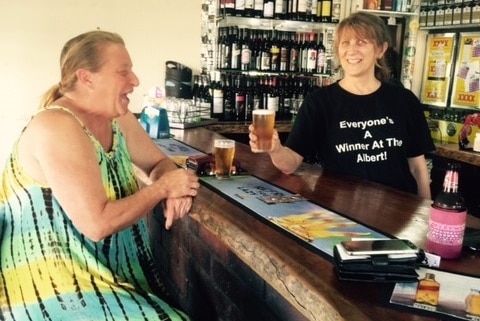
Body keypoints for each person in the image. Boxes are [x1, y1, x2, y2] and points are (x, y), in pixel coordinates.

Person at [0, 30, 200, 320]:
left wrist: (173, 185)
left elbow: (158, 163)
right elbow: (97, 223)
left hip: (108, 280)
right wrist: (163, 189)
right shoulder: (56, 125)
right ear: (86, 78)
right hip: (53, 289)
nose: (135, 80)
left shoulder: (116, 116)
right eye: (124, 71)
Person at [249, 12, 435, 199]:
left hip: (399, 211)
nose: (352, 50)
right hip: (343, 211)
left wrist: (428, 215)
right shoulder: (320, 102)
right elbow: (289, 165)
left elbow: (417, 167)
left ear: (380, 49)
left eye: (361, 42)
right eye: (345, 43)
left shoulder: (403, 99)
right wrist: (275, 149)